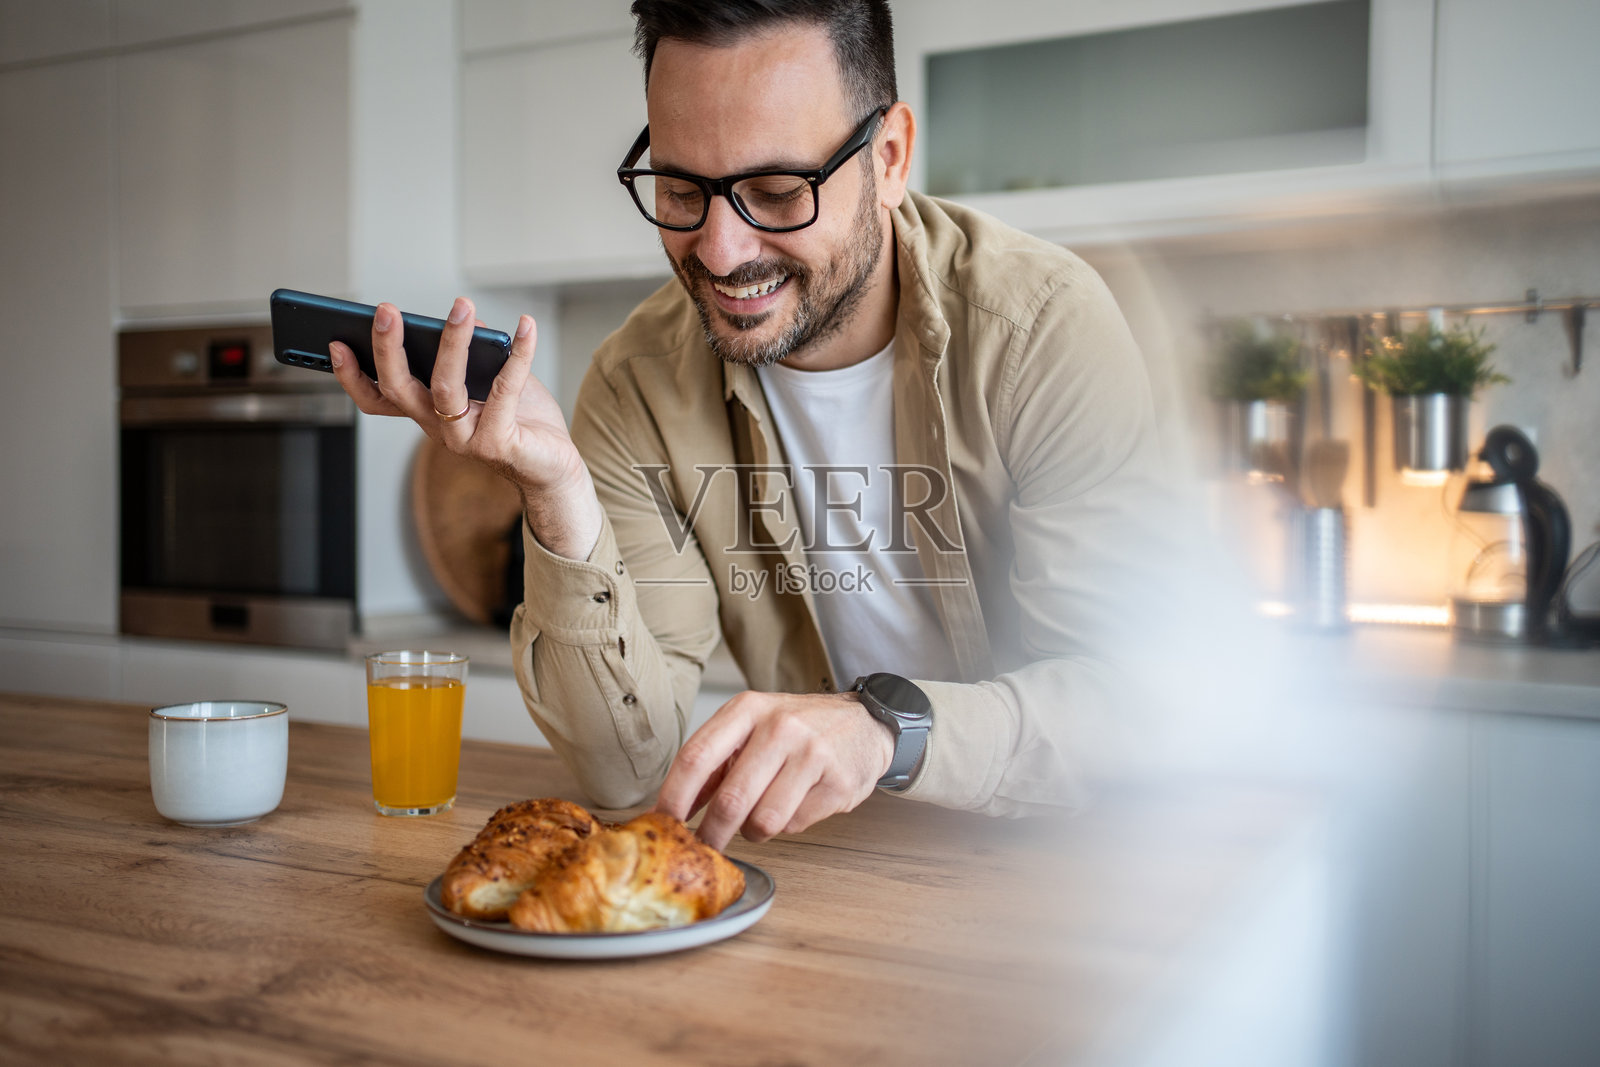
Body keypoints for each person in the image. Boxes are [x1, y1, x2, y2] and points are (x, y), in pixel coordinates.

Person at [330, 0, 1165, 850]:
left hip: (1068, 862)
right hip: (833, 865)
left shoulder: (1042, 329)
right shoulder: (635, 384)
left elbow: (1128, 704)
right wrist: (558, 492)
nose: (721, 251)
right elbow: (626, 770)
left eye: (775, 191)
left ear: (889, 158)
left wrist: (884, 730)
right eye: (682, 190)